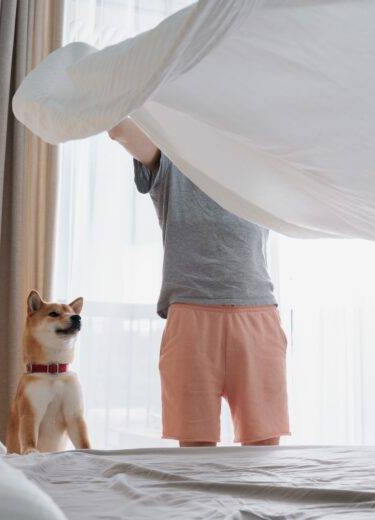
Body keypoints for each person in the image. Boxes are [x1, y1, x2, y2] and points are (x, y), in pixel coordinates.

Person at [108, 119, 289, 447]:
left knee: (263, 455)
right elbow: (119, 128)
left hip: (256, 317)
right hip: (192, 320)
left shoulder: (258, 164)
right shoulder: (172, 164)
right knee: (196, 456)